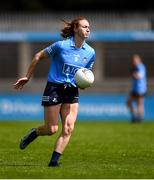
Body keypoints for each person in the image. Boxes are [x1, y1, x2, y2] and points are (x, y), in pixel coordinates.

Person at [13, 16, 96, 167]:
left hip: (72, 90)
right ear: (76, 29)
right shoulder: (61, 46)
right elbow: (38, 56)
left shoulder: (90, 52)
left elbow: (85, 73)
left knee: (68, 128)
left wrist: (84, 83)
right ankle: (34, 133)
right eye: (84, 26)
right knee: (51, 129)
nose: (88, 29)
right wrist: (27, 76)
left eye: (89, 27)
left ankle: (54, 162)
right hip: (55, 88)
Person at [126, 54, 147, 123]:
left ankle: (140, 118)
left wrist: (134, 74)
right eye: (133, 60)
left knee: (139, 104)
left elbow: (140, 76)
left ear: (139, 60)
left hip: (140, 89)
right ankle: (135, 116)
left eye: (135, 60)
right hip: (135, 88)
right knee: (128, 103)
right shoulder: (135, 67)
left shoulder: (140, 67)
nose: (134, 61)